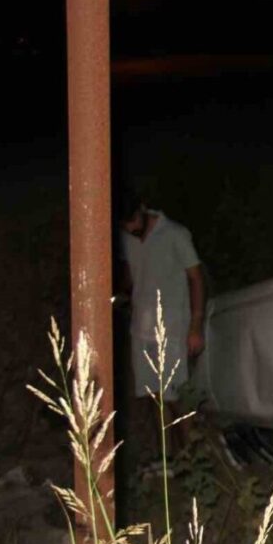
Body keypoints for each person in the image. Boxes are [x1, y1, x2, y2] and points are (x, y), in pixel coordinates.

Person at [117, 190, 206, 460]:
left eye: (133, 220)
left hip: (173, 327)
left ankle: (192, 457)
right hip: (140, 330)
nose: (131, 228)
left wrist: (195, 327)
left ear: (143, 208)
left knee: (176, 395)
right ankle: (166, 459)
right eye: (125, 224)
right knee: (154, 397)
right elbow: (133, 276)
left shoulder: (176, 234)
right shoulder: (125, 238)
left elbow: (196, 279)